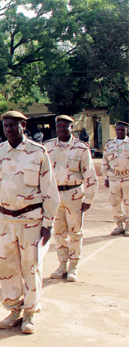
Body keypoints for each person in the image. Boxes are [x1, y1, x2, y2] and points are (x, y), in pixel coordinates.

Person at [0, 110, 59, 334]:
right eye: (5, 126)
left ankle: (30, 313)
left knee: (31, 266)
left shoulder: (38, 152)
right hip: (5, 220)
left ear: (23, 125)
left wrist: (48, 223)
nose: (8, 129)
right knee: (7, 267)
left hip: (31, 221)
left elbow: (50, 192)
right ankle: (14, 309)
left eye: (13, 125)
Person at [44, 115, 98, 282]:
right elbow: (42, 174)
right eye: (59, 126)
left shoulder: (81, 148)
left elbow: (90, 174)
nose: (61, 129)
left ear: (71, 127)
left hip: (74, 195)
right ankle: (62, 265)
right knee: (58, 233)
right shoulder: (47, 147)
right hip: (54, 196)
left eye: (65, 126)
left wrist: (88, 199)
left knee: (75, 233)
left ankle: (73, 267)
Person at [101, 120, 129, 236]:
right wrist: (106, 178)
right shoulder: (109, 144)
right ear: (115, 130)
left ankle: (128, 225)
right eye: (118, 129)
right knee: (114, 202)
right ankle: (119, 225)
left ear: (127, 131)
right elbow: (105, 161)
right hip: (114, 177)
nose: (120, 131)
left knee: (128, 202)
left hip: (128, 177)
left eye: (123, 129)